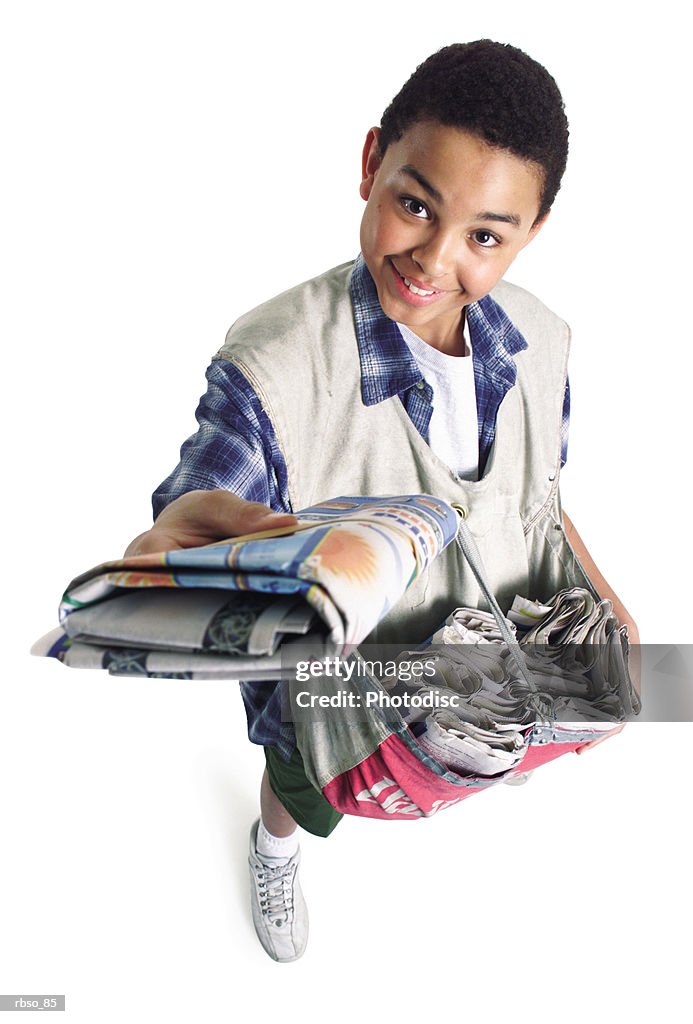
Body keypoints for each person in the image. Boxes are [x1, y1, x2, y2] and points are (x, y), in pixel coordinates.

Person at [124, 40, 639, 962]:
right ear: (370, 165)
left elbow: (542, 496)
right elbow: (198, 499)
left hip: (478, 662)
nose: (435, 259)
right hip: (341, 690)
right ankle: (274, 845)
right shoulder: (274, 365)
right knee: (303, 784)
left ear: (531, 230)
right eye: (414, 204)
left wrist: (609, 607)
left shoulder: (543, 340)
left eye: (485, 235)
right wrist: (186, 536)